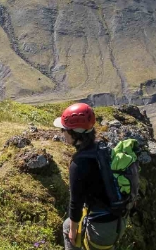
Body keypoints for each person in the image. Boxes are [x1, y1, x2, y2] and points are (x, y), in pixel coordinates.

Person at [54, 103, 125, 250]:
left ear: (75, 133)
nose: (63, 133)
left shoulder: (79, 163)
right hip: (118, 221)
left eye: (64, 129)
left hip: (101, 229)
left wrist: (74, 231)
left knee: (69, 228)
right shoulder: (101, 148)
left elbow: (76, 202)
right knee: (68, 224)